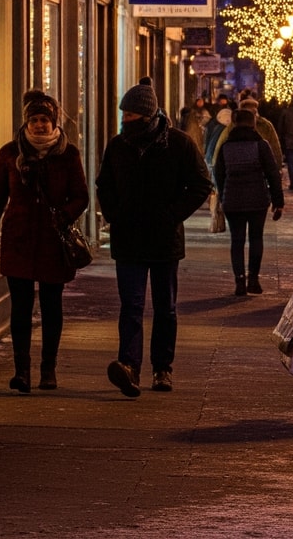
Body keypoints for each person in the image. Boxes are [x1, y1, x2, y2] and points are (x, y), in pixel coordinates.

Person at [95, 78, 213, 398]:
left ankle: (163, 368)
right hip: (128, 238)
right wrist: (114, 215)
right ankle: (129, 366)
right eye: (124, 116)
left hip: (164, 240)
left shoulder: (178, 144)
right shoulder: (118, 146)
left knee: (165, 308)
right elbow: (103, 184)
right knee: (131, 305)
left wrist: (172, 215)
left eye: (130, 116)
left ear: (147, 117)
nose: (125, 121)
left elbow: (202, 184)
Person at [0, 91, 88, 394]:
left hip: (53, 242)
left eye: (44, 120)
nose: (39, 125)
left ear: (53, 122)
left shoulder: (68, 154)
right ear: (27, 122)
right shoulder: (11, 153)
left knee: (52, 306)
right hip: (20, 240)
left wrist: (63, 216)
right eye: (34, 120)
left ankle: (48, 370)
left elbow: (82, 196)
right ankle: (21, 371)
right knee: (21, 307)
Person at [214, 108, 284, 296]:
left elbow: (218, 173)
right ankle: (253, 279)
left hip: (233, 200)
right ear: (253, 123)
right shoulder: (261, 145)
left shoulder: (226, 146)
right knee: (256, 238)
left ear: (234, 123)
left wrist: (223, 194)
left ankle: (239, 281)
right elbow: (272, 174)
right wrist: (278, 201)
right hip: (257, 199)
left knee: (236, 241)